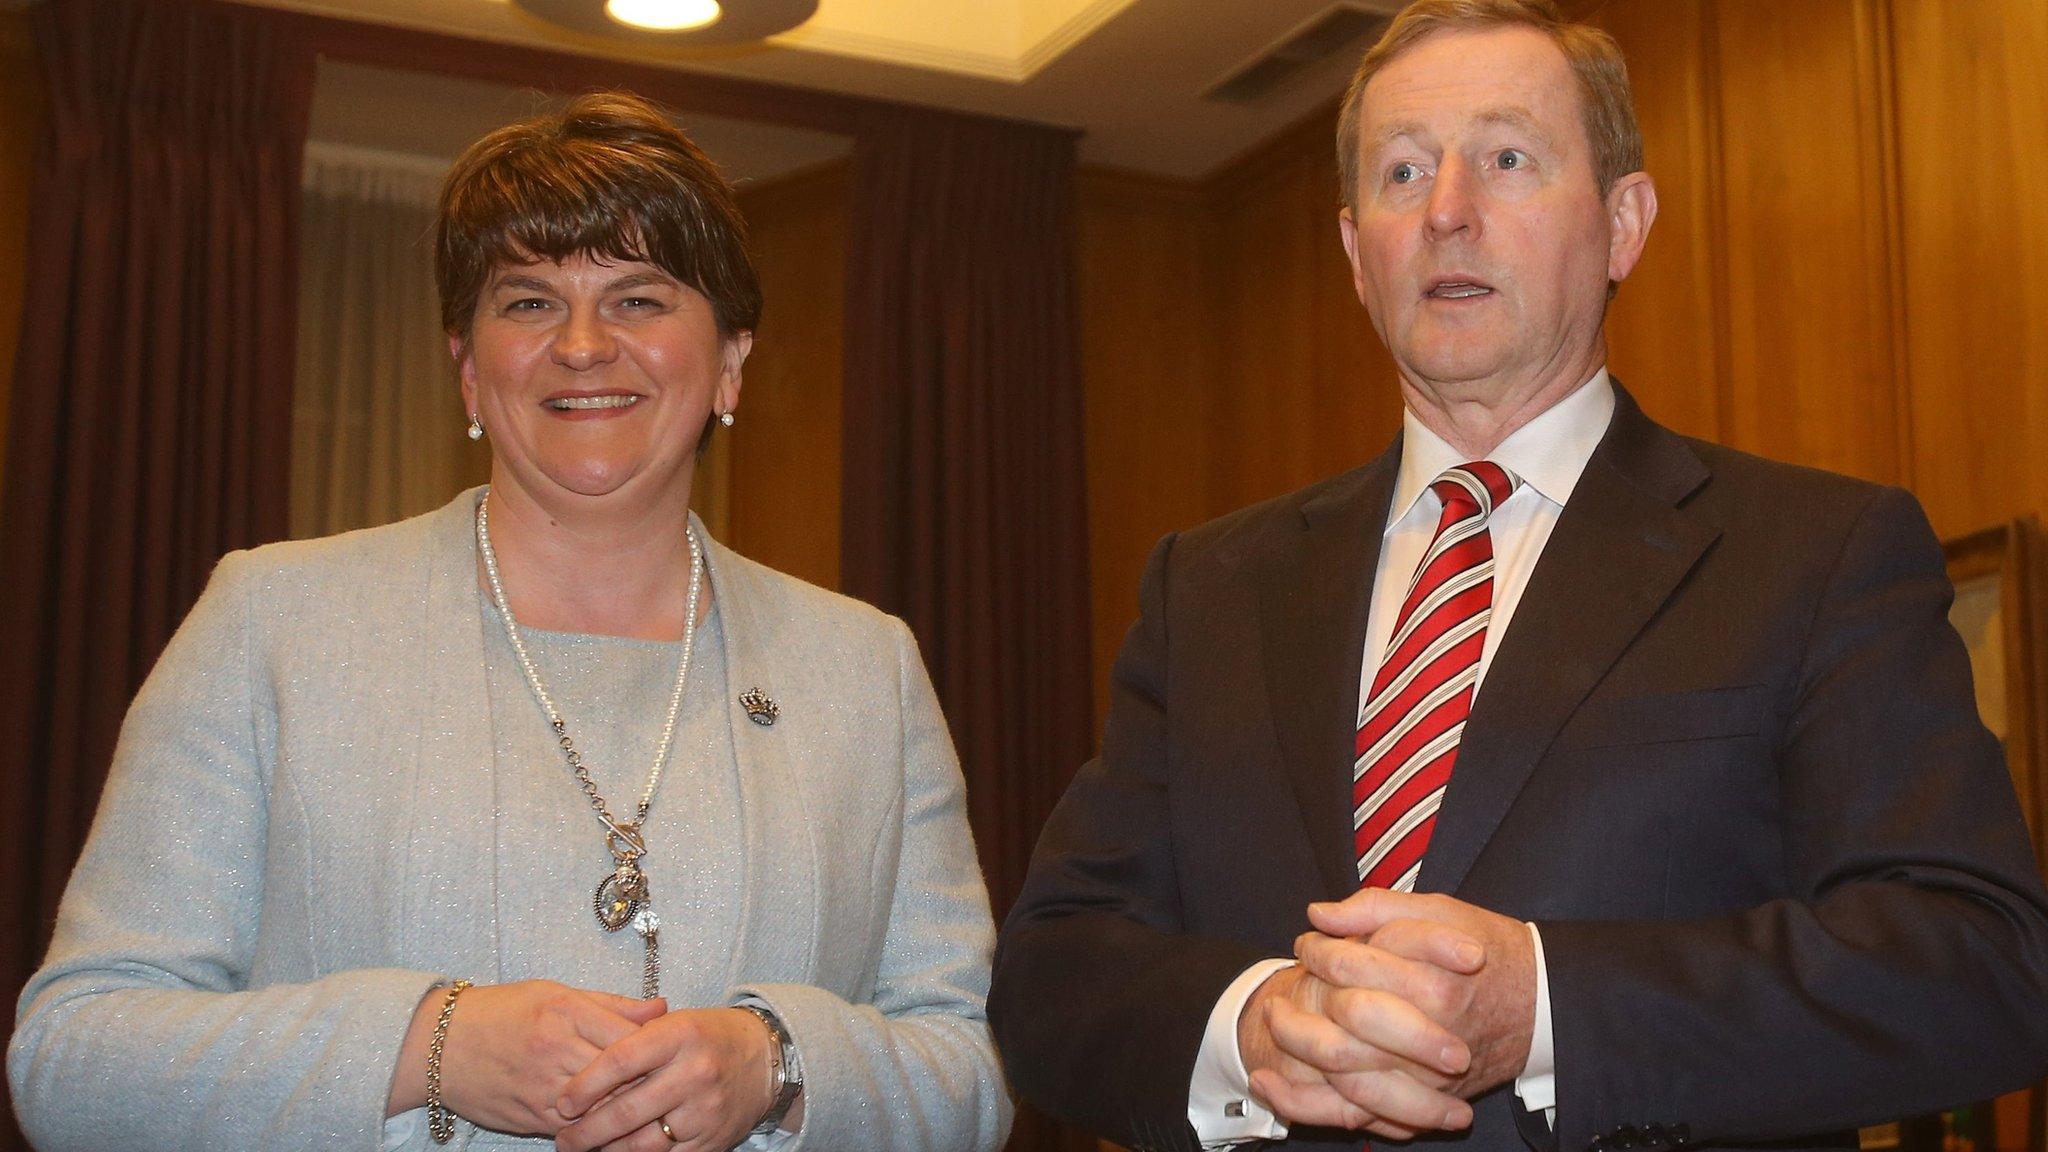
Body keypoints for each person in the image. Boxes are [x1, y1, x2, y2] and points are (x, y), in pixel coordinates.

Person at [989, 3, 2048, 1151]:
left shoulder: (1816, 555)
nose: (1446, 211)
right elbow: (1050, 975)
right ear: (1355, 254)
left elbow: (1977, 963)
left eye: (1506, 159)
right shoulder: (1207, 588)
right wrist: (1249, 1029)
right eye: (1401, 173)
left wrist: (1544, 1007)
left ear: (1622, 224)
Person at [9, 92, 1011, 1152]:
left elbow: (968, 1073)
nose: (582, 345)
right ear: (467, 367)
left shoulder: (865, 667)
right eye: (528, 301)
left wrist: (776, 1061)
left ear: (728, 362)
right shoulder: (273, 623)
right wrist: (427, 1044)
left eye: (639, 299)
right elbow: (74, 1057)